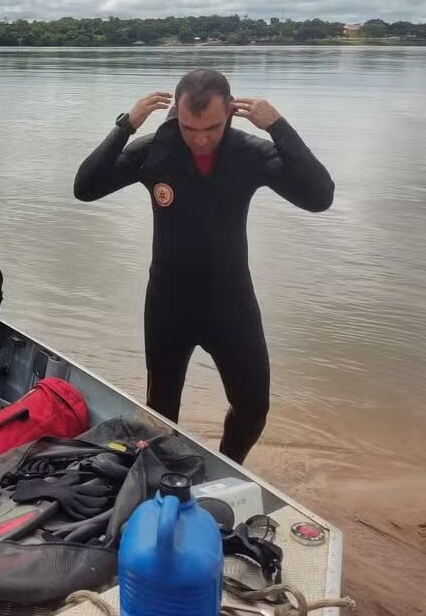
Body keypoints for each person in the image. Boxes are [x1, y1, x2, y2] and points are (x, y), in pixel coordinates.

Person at [73, 69, 334, 464]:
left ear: (231, 112)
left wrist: (279, 127)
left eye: (211, 127)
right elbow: (85, 187)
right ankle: (163, 475)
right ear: (175, 112)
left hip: (231, 305)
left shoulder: (248, 153)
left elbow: (319, 197)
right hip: (168, 304)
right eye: (190, 127)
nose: (199, 138)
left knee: (252, 409)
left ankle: (227, 467)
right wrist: (125, 126)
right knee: (160, 409)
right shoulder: (155, 151)